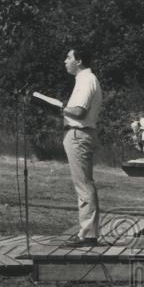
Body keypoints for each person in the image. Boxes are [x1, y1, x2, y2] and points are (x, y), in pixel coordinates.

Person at [61, 48, 103, 247]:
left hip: (79, 134)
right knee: (83, 184)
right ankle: (87, 232)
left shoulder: (86, 79)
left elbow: (78, 111)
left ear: (79, 61)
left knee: (84, 184)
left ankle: (88, 235)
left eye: (69, 58)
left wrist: (58, 108)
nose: (65, 61)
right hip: (79, 134)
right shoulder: (84, 79)